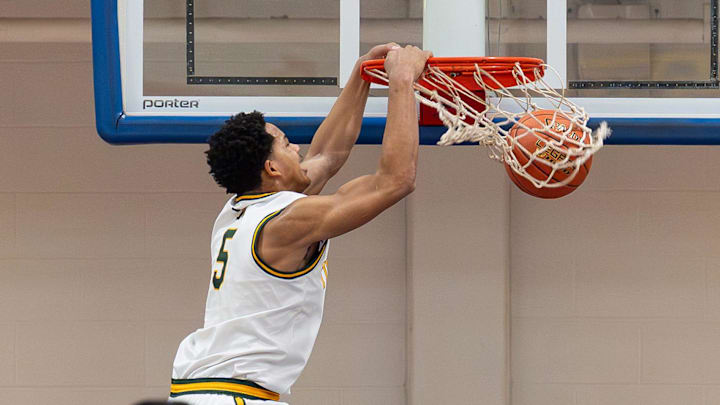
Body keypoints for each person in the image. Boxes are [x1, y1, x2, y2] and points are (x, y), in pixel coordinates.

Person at [168, 44, 432, 405]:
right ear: (272, 169)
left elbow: (329, 154)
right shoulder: (287, 222)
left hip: (203, 389)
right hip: (231, 395)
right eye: (286, 144)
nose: (297, 151)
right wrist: (403, 82)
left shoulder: (239, 211)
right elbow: (396, 180)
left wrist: (361, 76)